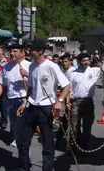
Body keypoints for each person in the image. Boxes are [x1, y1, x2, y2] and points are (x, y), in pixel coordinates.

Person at [16, 39, 70, 171]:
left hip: (46, 108)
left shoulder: (52, 66)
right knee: (24, 142)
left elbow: (67, 85)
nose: (29, 51)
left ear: (40, 51)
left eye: (31, 49)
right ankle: (24, 167)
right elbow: (31, 88)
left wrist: (59, 101)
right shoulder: (32, 66)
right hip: (31, 106)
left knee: (47, 144)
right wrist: (25, 102)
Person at [0, 44, 30, 147]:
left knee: (23, 125)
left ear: (22, 52)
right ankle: (16, 139)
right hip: (11, 100)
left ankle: (23, 146)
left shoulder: (30, 66)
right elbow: (1, 85)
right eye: (11, 51)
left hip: (24, 100)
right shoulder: (6, 67)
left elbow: (37, 84)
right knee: (13, 124)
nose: (12, 54)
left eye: (15, 51)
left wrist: (27, 75)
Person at [69, 53, 101, 152]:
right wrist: (67, 102)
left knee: (87, 126)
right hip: (75, 102)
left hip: (88, 102)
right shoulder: (73, 73)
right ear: (79, 62)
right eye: (83, 60)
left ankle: (84, 146)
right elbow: (69, 88)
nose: (86, 62)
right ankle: (75, 146)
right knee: (74, 126)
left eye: (87, 60)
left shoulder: (95, 71)